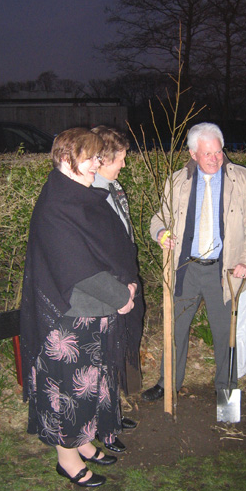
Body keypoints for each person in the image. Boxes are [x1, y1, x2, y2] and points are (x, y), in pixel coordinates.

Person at [20, 127, 141, 488]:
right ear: (64, 160)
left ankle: (85, 441)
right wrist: (123, 297)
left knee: (92, 385)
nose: (95, 164)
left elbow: (108, 249)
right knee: (67, 392)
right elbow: (78, 270)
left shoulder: (81, 196)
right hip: (68, 320)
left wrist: (126, 284)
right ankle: (67, 458)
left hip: (95, 313)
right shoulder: (58, 204)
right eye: (88, 158)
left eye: (96, 157)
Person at [141, 122, 246, 401]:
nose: (215, 159)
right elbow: (159, 219)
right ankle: (167, 384)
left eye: (218, 152)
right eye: (207, 154)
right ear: (193, 154)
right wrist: (161, 233)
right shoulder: (177, 181)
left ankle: (226, 388)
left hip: (224, 272)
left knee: (226, 335)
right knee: (174, 331)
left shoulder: (244, 180)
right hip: (185, 269)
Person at [91, 125, 144, 451]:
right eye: (120, 158)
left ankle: (113, 411)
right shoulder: (92, 193)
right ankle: (101, 424)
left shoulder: (112, 186)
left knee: (120, 349)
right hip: (107, 287)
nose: (124, 164)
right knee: (103, 355)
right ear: (102, 159)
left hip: (124, 278)